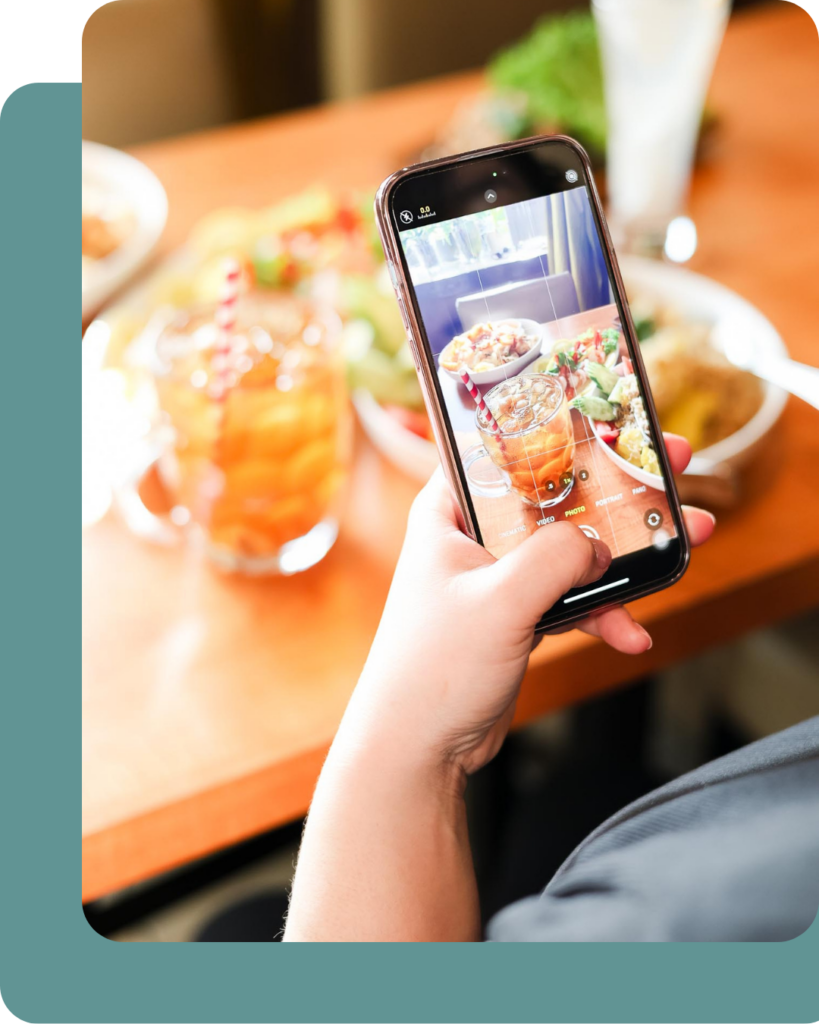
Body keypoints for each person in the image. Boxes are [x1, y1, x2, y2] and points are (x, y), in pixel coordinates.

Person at [283, 436, 819, 942]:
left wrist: (413, 741)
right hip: (696, 831)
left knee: (234, 926)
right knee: (581, 793)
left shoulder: (649, 924)